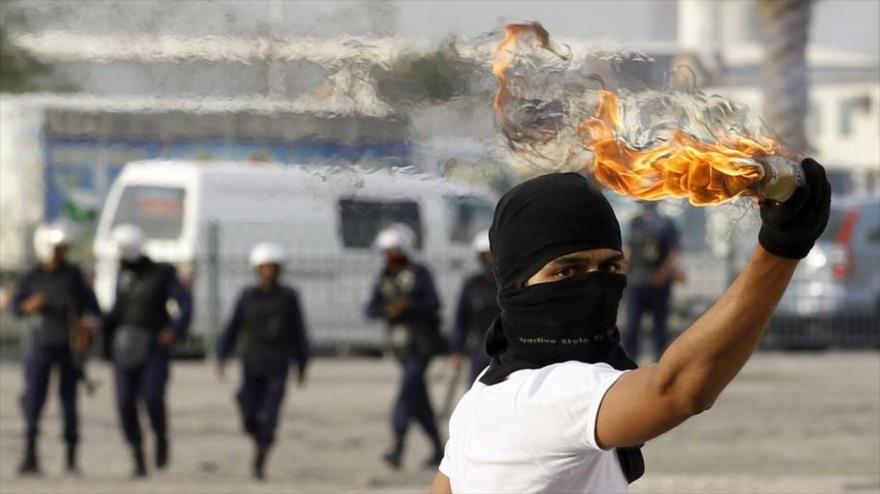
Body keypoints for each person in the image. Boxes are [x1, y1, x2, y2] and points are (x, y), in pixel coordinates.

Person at [431, 161, 830, 494]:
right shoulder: (542, 395)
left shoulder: (481, 397)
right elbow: (677, 389)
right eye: (566, 270)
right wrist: (781, 249)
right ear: (516, 283)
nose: (594, 284)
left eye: (609, 267)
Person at [102, 224, 192, 478]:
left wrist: (173, 330)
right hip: (124, 346)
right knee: (124, 403)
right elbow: (119, 311)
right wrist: (98, 323)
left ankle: (161, 436)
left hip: (153, 346)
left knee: (152, 397)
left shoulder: (162, 273)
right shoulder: (123, 275)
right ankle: (137, 454)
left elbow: (184, 304)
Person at [216, 242, 311, 480]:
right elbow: (233, 326)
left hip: (278, 363)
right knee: (247, 410)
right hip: (251, 361)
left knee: (271, 413)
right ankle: (258, 437)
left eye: (273, 268)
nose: (268, 272)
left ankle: (261, 455)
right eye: (264, 268)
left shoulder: (289, 297)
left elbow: (299, 331)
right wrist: (222, 355)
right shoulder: (247, 296)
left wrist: (302, 364)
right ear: (257, 270)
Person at [13, 222, 101, 475]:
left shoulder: (74, 275)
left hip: (69, 348)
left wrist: (88, 325)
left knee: (69, 402)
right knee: (33, 401)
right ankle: (30, 456)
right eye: (59, 248)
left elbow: (93, 309)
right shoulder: (33, 276)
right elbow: (17, 307)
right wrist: (29, 305)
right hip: (41, 345)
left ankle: (71, 459)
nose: (64, 252)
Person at [365, 224, 445, 469]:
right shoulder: (384, 276)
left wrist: (409, 306)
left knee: (406, 394)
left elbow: (433, 304)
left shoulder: (420, 273)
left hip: (421, 345)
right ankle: (438, 450)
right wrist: (387, 310)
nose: (391, 257)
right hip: (400, 346)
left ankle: (397, 447)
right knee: (419, 400)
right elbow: (370, 308)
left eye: (395, 251)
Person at [623, 202, 681, 361]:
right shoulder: (636, 222)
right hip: (637, 281)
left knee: (660, 326)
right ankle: (629, 361)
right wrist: (624, 270)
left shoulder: (667, 224)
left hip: (658, 283)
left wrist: (663, 274)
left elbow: (673, 251)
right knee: (632, 324)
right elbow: (629, 248)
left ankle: (661, 362)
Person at [449, 229, 499, 384]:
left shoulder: (513, 283)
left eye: (492, 254)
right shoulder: (472, 285)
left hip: (509, 351)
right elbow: (460, 319)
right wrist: (456, 351)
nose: (490, 260)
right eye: (486, 256)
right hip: (479, 351)